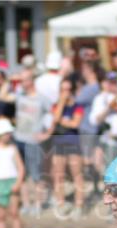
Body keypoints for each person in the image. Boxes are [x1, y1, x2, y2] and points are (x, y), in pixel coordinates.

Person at [13, 69, 51, 218]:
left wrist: (47, 133)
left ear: (31, 81)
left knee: (36, 174)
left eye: (24, 80)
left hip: (33, 141)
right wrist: (13, 78)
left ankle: (37, 205)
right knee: (22, 174)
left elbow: (54, 114)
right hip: (19, 138)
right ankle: (26, 204)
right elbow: (2, 94)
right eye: (20, 80)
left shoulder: (42, 99)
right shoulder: (19, 96)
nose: (21, 83)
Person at [50, 78, 85, 216]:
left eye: (68, 89)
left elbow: (75, 123)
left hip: (73, 143)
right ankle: (61, 203)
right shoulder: (56, 105)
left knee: (77, 174)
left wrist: (65, 122)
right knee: (58, 175)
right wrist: (62, 102)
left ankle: (79, 205)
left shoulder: (78, 106)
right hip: (58, 143)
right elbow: (56, 118)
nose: (66, 92)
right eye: (63, 89)